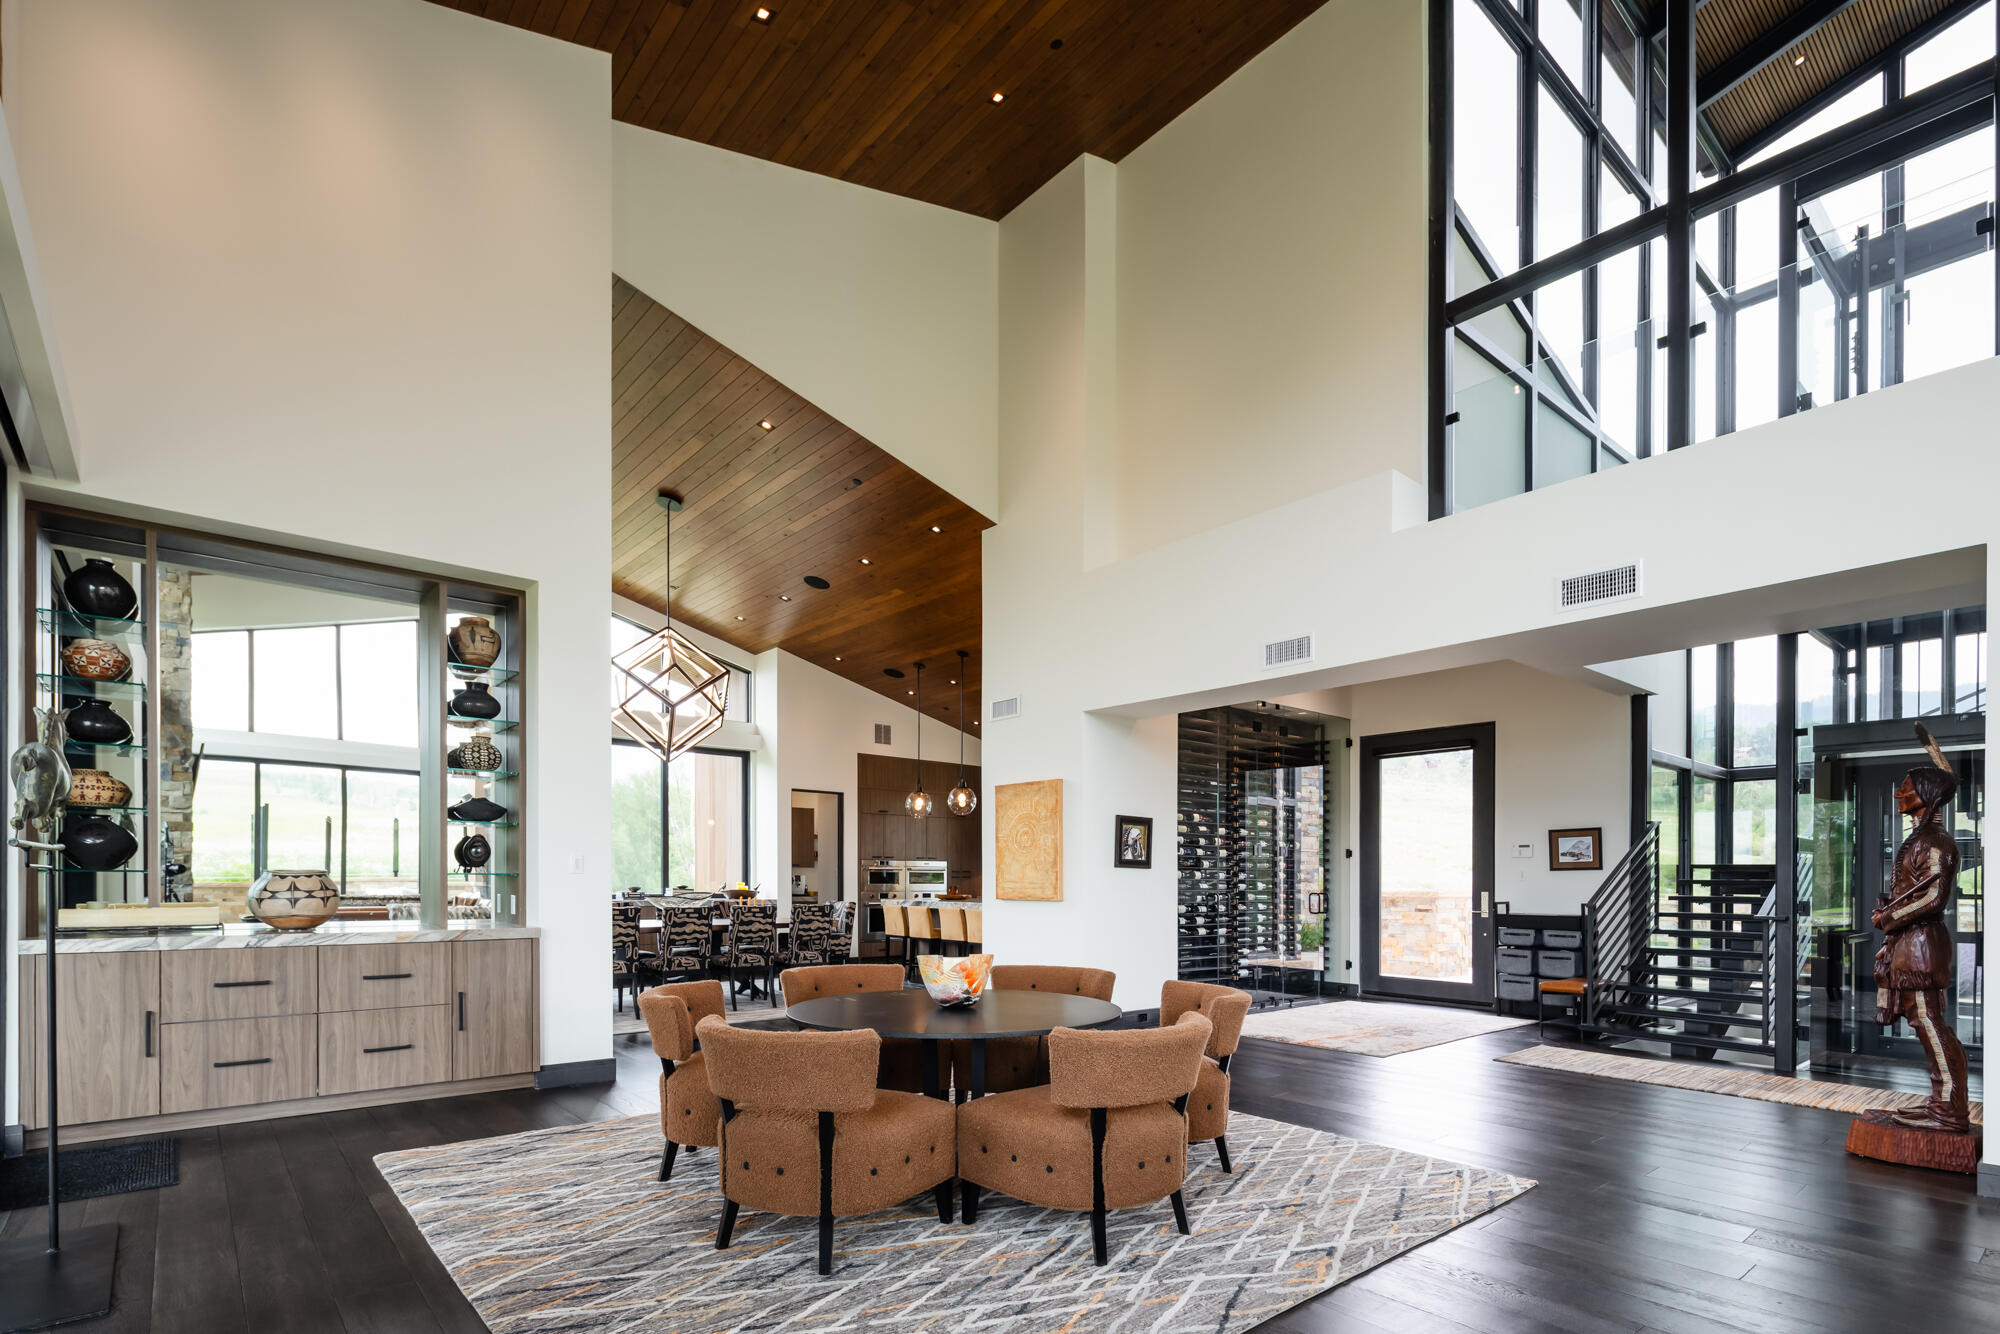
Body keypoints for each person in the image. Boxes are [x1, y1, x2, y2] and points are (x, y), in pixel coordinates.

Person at [1869, 723, 1969, 1134]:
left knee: (1930, 1024)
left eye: (1907, 788)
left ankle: (1947, 1109)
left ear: (1926, 796)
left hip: (1921, 947)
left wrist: (1888, 918)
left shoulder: (1936, 842)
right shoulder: (1923, 838)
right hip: (1912, 945)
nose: (1898, 793)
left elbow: (1932, 898)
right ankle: (1940, 1103)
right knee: (1923, 1022)